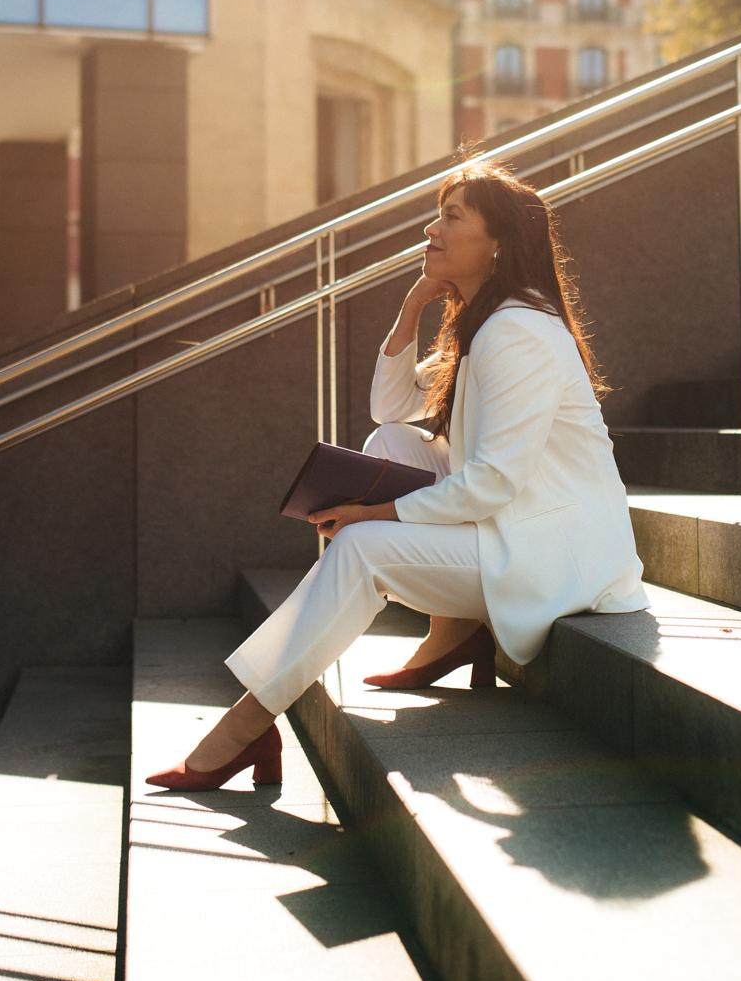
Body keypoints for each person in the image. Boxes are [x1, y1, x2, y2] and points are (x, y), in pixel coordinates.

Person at [144, 158, 649, 791]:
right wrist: (412, 306)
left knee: (360, 546)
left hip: (558, 554)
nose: (431, 232)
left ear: (497, 243)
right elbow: (391, 408)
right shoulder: (490, 320)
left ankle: (248, 724)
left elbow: (493, 484)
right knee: (389, 442)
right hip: (518, 526)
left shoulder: (518, 332)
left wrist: (373, 515)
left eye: (450, 218)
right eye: (435, 217)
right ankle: (454, 631)